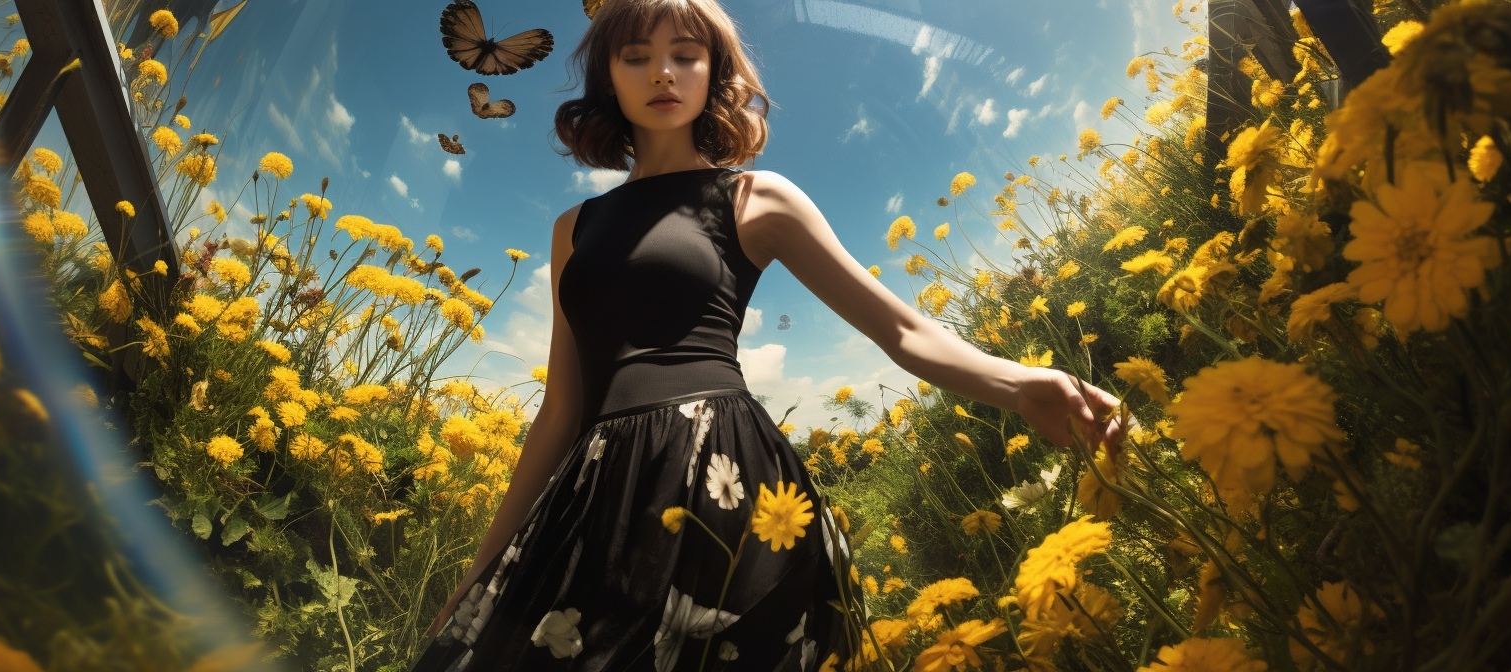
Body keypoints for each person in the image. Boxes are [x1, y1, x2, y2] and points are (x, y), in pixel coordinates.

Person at [409, 1, 1127, 670]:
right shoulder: (574, 227)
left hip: (724, 476)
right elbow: (560, 408)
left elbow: (903, 332)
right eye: (636, 56)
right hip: (596, 490)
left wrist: (1020, 382)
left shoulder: (757, 197)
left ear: (713, 74)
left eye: (685, 55)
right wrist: (484, 565)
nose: (663, 71)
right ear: (608, 80)